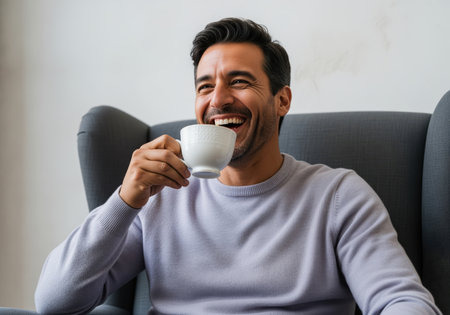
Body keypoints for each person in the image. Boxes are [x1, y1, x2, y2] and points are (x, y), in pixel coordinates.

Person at [35, 18, 441, 315]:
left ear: (282, 101)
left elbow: (401, 301)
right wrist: (125, 201)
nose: (218, 100)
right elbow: (55, 302)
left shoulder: (337, 195)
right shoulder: (159, 197)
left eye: (240, 82)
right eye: (205, 86)